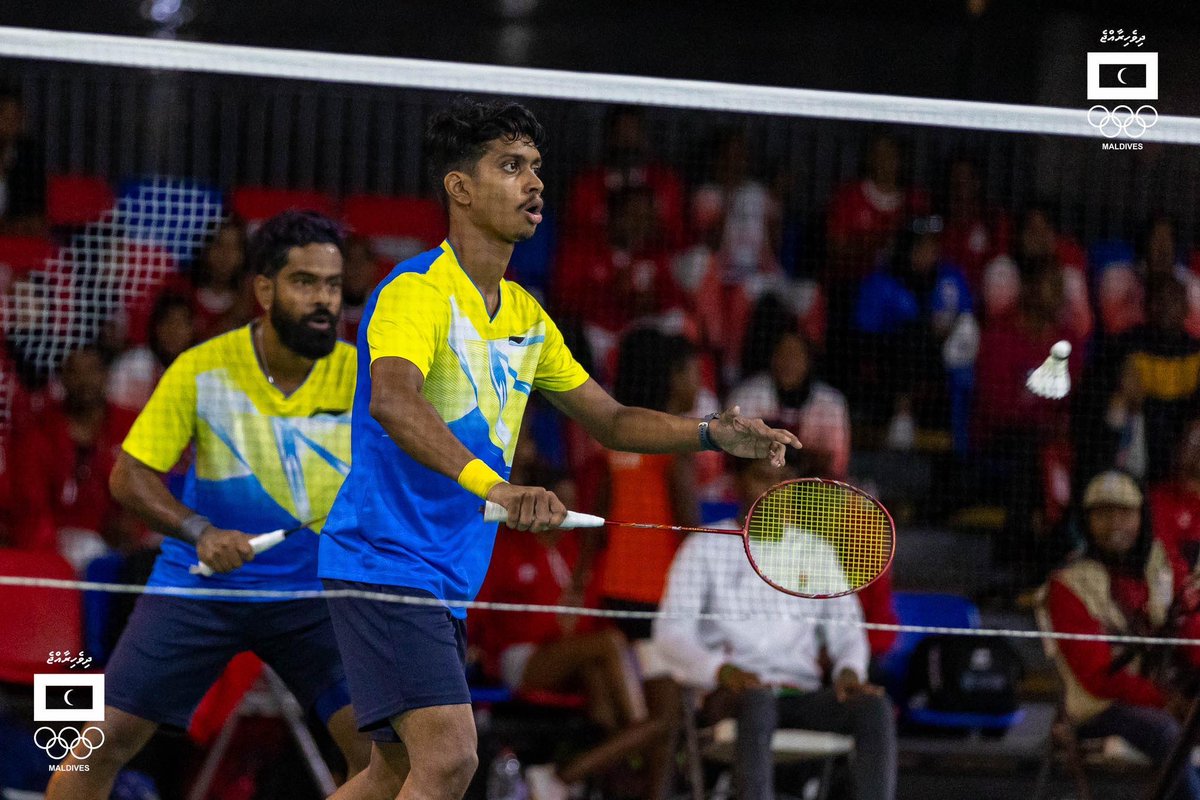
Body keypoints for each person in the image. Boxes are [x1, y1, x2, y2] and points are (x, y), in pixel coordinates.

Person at [317, 98, 800, 800]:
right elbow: (394, 401)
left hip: (446, 576)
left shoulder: (525, 316)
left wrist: (707, 432)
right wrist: (497, 487)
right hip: (383, 558)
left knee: (393, 772)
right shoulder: (416, 293)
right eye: (510, 166)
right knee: (450, 760)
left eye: (536, 168)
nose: (533, 183)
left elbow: (609, 419)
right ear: (459, 187)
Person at [45, 210, 370, 797]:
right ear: (265, 289)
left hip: (312, 594)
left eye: (331, 283)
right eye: (305, 282)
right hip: (200, 587)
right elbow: (129, 477)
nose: (324, 299)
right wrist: (199, 530)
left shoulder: (361, 377)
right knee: (97, 744)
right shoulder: (204, 369)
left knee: (381, 755)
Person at [653, 451, 897, 800]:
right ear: (736, 483)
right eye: (761, 477)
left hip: (801, 695)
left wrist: (849, 672)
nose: (774, 489)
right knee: (758, 702)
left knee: (874, 708)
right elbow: (670, 635)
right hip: (732, 695)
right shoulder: (704, 548)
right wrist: (721, 671)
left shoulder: (816, 553)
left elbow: (847, 631)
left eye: (784, 482)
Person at [472, 411, 672, 800]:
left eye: (573, 504)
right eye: (561, 505)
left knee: (601, 681)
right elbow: (481, 607)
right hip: (521, 660)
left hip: (572, 661)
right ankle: (637, 736)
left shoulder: (573, 552)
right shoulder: (509, 548)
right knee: (611, 643)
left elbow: (603, 485)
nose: (568, 513)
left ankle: (570, 777)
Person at [1041, 470, 1200, 800]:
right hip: (1101, 710)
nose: (1114, 522)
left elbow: (1190, 628)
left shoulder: (1163, 566)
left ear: (1142, 517)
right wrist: (1166, 702)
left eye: (1125, 512)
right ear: (1086, 521)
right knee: (1167, 732)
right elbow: (1098, 677)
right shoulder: (1068, 584)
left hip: (1169, 694)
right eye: (1102, 512)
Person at [8, 344, 141, 565]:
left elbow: (145, 488)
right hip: (54, 545)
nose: (84, 380)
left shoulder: (130, 427)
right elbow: (31, 508)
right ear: (61, 377)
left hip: (119, 546)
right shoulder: (38, 432)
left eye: (92, 370)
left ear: (106, 374)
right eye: (74, 371)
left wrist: (131, 523)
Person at [853, 214, 975, 449]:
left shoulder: (950, 278)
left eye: (933, 244)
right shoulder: (883, 281)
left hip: (938, 362)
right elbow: (865, 331)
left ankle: (963, 439)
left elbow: (967, 320)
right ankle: (902, 413)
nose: (928, 251)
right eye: (921, 244)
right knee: (909, 335)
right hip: (888, 365)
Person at [106, 291, 196, 412]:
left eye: (181, 324)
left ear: (192, 330)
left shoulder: (202, 370)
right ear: (156, 328)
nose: (174, 331)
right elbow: (115, 410)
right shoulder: (132, 365)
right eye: (168, 322)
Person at [189, 216, 254, 341]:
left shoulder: (255, 303)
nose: (226, 254)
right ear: (205, 249)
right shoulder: (182, 293)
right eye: (219, 244)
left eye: (234, 247)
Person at [0, 85, 46, 236]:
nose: (12, 124)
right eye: (6, 117)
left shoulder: (29, 155)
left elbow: (36, 216)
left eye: (16, 117)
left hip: (16, 238)